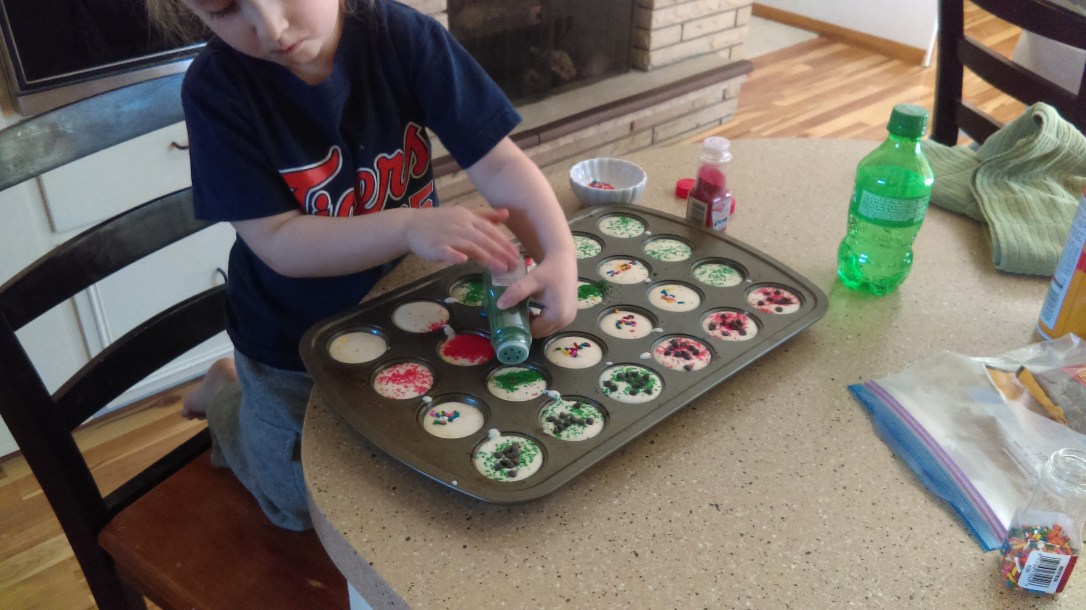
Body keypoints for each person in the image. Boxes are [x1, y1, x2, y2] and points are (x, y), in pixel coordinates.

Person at [146, 0, 577, 530]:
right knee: (297, 505)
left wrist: (559, 253)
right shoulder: (217, 88)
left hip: (404, 307)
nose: (270, 27)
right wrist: (408, 224)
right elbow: (278, 242)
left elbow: (499, 160)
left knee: (401, 469)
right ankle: (227, 396)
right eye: (225, 9)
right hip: (289, 341)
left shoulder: (404, 37)